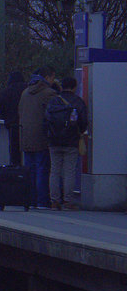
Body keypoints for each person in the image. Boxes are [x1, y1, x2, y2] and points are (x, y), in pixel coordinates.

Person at [45, 76, 88, 210]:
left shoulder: (53, 101)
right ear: (75, 87)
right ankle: (68, 201)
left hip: (54, 141)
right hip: (71, 141)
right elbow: (83, 122)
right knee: (69, 171)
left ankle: (54, 201)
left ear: (62, 86)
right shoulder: (78, 102)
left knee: (54, 171)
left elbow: (46, 120)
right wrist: (80, 132)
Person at [18, 65, 58, 209]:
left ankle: (31, 200)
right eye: (53, 77)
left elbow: (20, 112)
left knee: (30, 170)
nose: (54, 80)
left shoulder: (25, 92)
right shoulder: (49, 93)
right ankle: (42, 201)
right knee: (42, 169)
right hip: (41, 136)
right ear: (47, 77)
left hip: (26, 135)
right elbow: (54, 115)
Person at [0, 71, 27, 166]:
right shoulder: (27, 90)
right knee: (30, 152)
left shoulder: (6, 92)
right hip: (27, 124)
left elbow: (2, 109)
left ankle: (15, 170)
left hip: (12, 124)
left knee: (14, 151)